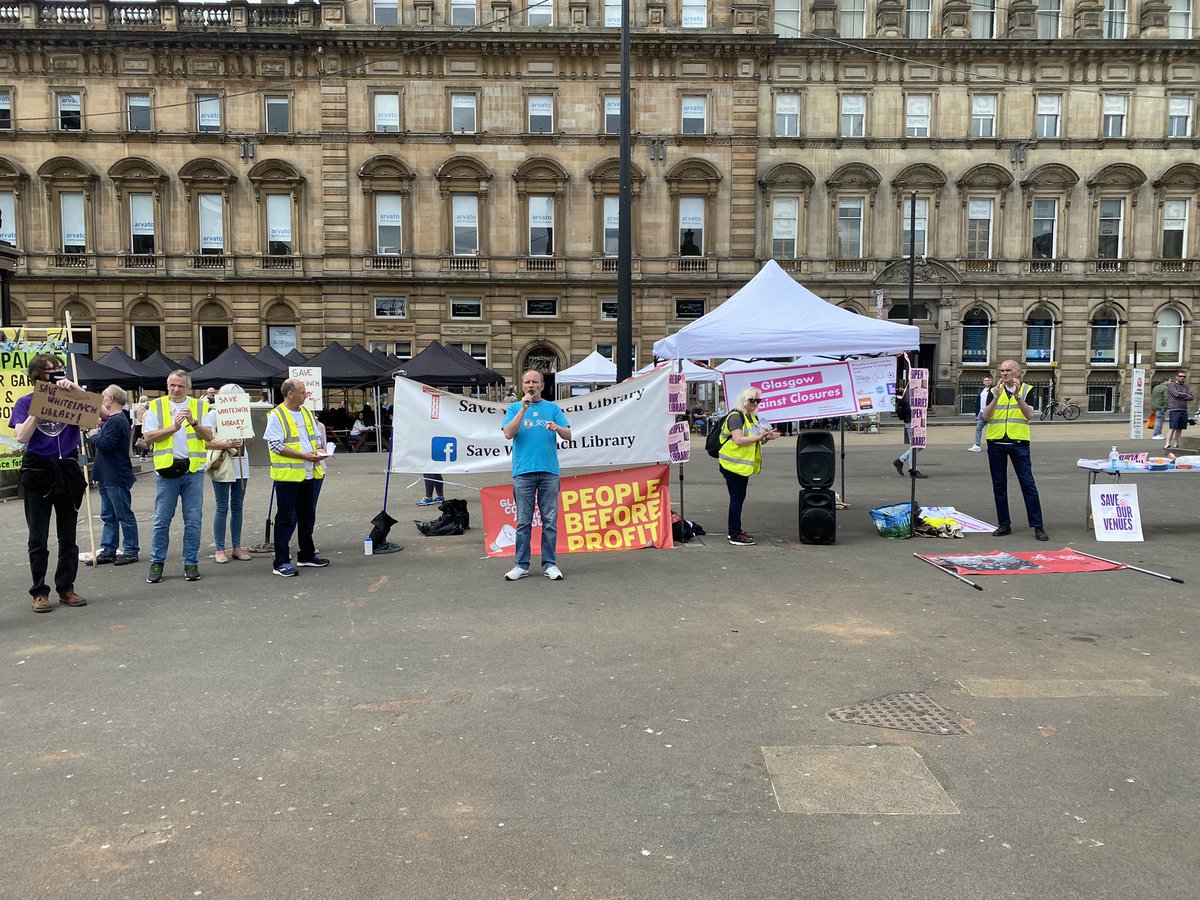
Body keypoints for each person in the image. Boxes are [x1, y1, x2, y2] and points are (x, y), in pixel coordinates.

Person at [9, 354, 88, 613]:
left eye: (59, 369)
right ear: (38, 375)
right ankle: (40, 592)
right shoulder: (25, 402)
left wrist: (75, 389)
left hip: (66, 469)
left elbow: (100, 415)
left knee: (68, 536)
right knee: (38, 537)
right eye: (51, 370)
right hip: (39, 470)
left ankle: (66, 587)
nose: (56, 373)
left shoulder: (72, 398)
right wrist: (39, 406)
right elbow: (21, 436)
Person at [141, 369, 214, 584]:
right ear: (167, 385)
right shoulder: (156, 406)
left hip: (193, 471)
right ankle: (157, 562)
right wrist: (173, 427)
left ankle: (191, 562)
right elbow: (147, 437)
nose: (175, 389)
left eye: (180, 386)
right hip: (167, 471)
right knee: (162, 520)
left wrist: (193, 422)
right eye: (172, 384)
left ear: (188, 388)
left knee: (193, 520)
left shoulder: (200, 406)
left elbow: (209, 436)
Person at [501, 369, 572, 580]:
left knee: (550, 521)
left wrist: (557, 427)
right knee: (523, 522)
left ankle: (550, 564)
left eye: (535, 382)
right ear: (522, 386)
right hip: (523, 472)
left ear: (542, 385)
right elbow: (508, 433)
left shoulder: (552, 408)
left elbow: (568, 434)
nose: (531, 385)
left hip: (549, 471)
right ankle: (521, 565)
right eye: (527, 382)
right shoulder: (515, 408)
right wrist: (524, 409)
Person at [265, 378, 329, 577]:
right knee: (285, 518)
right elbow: (275, 445)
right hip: (288, 476)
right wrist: (304, 456)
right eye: (302, 392)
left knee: (307, 515)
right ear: (290, 393)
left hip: (309, 472)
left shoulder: (307, 413)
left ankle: (306, 555)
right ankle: (281, 561)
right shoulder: (276, 415)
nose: (306, 394)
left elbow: (315, 437)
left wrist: (320, 449)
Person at [982, 359, 1048, 541]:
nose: (1004, 374)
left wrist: (1018, 396)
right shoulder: (994, 390)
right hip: (996, 442)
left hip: (1019, 442)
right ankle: (1004, 523)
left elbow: (1029, 415)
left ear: (1018, 373)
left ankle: (1038, 525)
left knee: (1028, 484)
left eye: (1008, 370)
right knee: (999, 485)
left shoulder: (1028, 390)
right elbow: (985, 417)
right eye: (1002, 370)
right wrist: (995, 398)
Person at [716, 387, 780, 546]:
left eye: (759, 401)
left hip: (740, 465)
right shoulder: (736, 417)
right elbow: (738, 440)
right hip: (731, 464)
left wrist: (766, 437)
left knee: (738, 498)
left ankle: (736, 530)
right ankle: (734, 534)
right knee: (737, 499)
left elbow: (756, 440)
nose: (756, 404)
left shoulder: (751, 417)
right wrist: (759, 437)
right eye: (753, 401)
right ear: (745, 400)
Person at [88, 385, 139, 567]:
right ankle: (109, 549)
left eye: (103, 396)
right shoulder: (113, 420)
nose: (101, 399)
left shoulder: (117, 420)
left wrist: (92, 434)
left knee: (123, 514)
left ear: (111, 400)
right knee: (109, 515)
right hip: (107, 474)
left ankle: (131, 550)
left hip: (115, 475)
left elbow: (106, 445)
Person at [203, 383, 252, 564]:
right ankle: (220, 549)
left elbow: (251, 442)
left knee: (238, 506)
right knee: (222, 506)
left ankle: (236, 547)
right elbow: (206, 441)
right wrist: (227, 443)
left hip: (242, 464)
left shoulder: (244, 415)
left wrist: (243, 435)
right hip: (223, 464)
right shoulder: (213, 414)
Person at [892, 385, 927, 479]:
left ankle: (901, 460)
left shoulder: (910, 392)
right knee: (916, 445)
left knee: (920, 445)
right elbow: (909, 408)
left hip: (915, 421)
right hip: (912, 421)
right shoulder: (909, 393)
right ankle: (913, 470)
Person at [1164, 371, 1193, 450]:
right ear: (1176, 376)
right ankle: (1167, 444)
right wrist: (1185, 395)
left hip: (1183, 409)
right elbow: (1176, 394)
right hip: (1174, 409)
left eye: (1184, 376)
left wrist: (1182, 395)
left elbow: (1191, 397)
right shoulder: (1171, 385)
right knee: (1172, 427)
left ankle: (1176, 443)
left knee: (1180, 428)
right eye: (1180, 376)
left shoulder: (1186, 387)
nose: (1182, 378)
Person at [969, 375, 992, 452]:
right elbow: (978, 401)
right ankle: (977, 445)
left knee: (991, 429)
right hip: (981, 412)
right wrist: (977, 413)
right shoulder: (981, 390)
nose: (987, 382)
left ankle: (992, 445)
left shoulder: (994, 389)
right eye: (986, 380)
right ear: (983, 382)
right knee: (978, 428)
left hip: (991, 413)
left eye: (988, 380)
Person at [1150, 375, 1170, 441]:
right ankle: (1156, 434)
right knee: (1159, 421)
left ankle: (1158, 433)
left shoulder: (1155, 387)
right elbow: (1166, 398)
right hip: (1161, 406)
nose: (1170, 382)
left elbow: (1153, 397)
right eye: (1169, 381)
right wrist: (1165, 407)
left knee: (1159, 420)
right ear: (1166, 381)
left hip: (1155, 406)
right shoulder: (1165, 388)